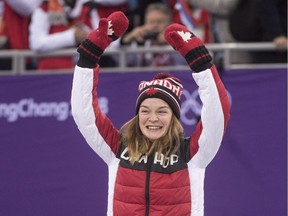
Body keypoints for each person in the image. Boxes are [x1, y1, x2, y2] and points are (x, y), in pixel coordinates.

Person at [71, 11, 230, 216]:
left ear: (174, 117)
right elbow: (84, 113)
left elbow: (217, 115)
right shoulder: (118, 149)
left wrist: (201, 63)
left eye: (162, 111)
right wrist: (88, 57)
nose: (153, 118)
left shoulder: (191, 153)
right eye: (145, 111)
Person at [121, 3, 186, 67]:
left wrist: (172, 42)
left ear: (169, 24)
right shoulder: (140, 42)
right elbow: (119, 58)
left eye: (159, 21)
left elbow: (186, 60)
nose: (155, 25)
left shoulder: (179, 43)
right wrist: (127, 39)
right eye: (151, 22)